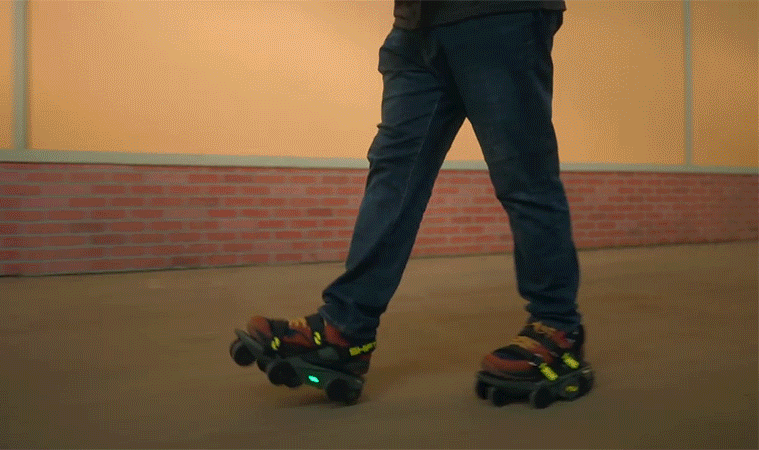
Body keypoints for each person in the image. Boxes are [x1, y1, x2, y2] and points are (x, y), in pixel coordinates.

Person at [243, 0, 586, 390]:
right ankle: (346, 327)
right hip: (415, 26)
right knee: (393, 176)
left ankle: (557, 328)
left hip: (498, 17)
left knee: (523, 177)